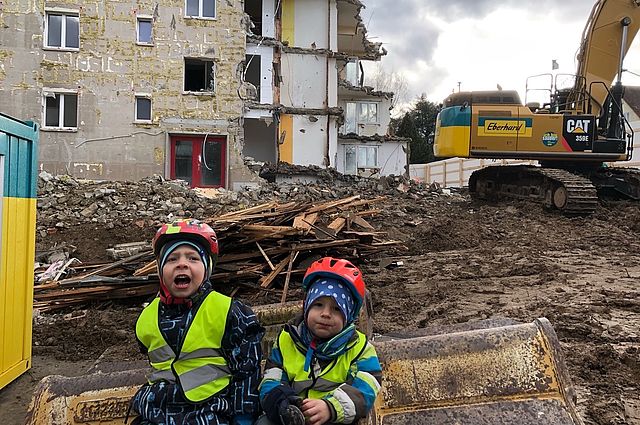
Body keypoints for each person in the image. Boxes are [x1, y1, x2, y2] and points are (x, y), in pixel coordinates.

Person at [130, 218, 265, 425]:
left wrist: (243, 418)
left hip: (209, 411)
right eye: (172, 259)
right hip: (157, 410)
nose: (182, 263)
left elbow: (247, 372)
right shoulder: (146, 318)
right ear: (160, 270)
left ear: (207, 269)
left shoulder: (231, 312)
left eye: (193, 258)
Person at [258, 257, 382, 425]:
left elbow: (366, 388)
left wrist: (330, 407)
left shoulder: (360, 348)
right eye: (318, 305)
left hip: (335, 418)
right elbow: (271, 380)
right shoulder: (286, 340)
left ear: (349, 316)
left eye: (337, 308)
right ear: (306, 306)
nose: (326, 314)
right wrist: (283, 404)